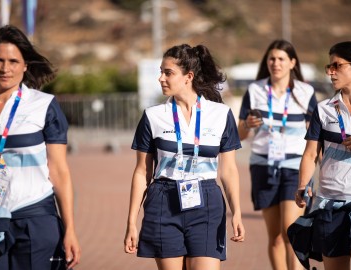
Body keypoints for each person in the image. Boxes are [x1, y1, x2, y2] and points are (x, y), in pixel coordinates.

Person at [124, 44, 245, 270]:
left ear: (188, 76)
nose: (161, 78)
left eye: (168, 73)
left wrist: (236, 212)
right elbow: (142, 172)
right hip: (163, 202)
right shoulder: (153, 116)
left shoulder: (221, 114)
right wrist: (131, 221)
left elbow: (228, 170)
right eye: (161, 71)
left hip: (207, 202)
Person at [0, 25, 81, 269]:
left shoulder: (44, 105)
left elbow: (60, 171)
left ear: (25, 65)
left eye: (13, 61)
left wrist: (70, 229)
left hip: (35, 220)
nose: (5, 68)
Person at [237, 39, 317, 270]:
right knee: (275, 236)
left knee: (290, 231)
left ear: (292, 63)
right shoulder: (255, 90)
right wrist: (249, 124)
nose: (276, 63)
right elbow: (240, 134)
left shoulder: (305, 91)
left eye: (281, 59)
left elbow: (315, 134)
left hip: (295, 167)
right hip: (263, 166)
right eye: (272, 58)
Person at [295, 41, 351, 270]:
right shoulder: (324, 109)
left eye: (336, 66)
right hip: (329, 202)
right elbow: (311, 154)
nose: (330, 72)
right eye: (328, 66)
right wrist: (303, 184)